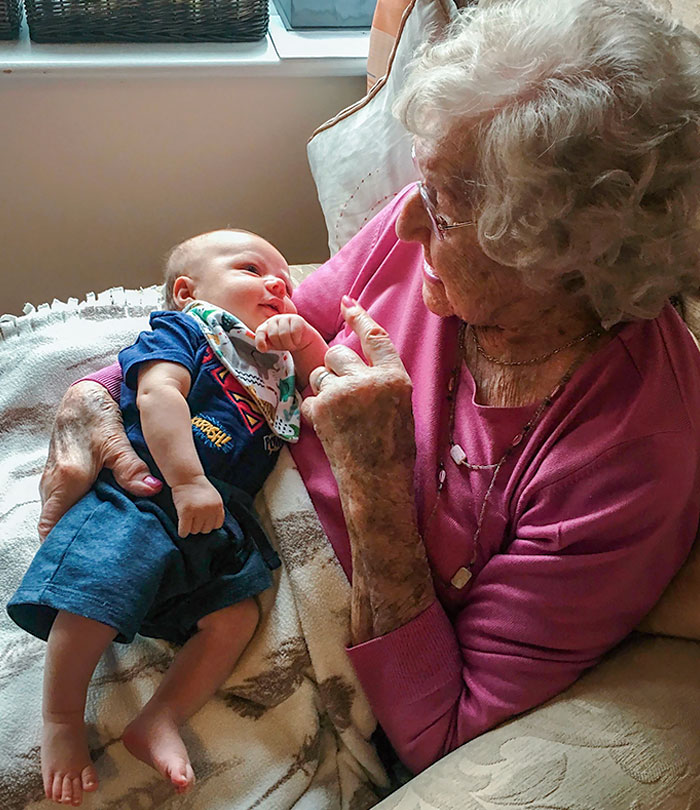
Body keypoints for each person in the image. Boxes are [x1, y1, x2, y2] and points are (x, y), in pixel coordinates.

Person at [33, 0, 700, 800]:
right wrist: (98, 395)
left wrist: (376, 481)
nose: (404, 218)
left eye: (444, 210)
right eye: (424, 181)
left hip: (289, 622)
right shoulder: (430, 237)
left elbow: (442, 729)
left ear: (561, 262)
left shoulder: (629, 455)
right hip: (211, 505)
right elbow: (249, 341)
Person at [7, 229, 329, 806]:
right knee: (95, 590)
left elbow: (327, 382)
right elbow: (159, 397)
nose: (278, 284)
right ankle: (61, 719)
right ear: (187, 291)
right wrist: (187, 480)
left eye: (286, 280)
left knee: (235, 616)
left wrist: (304, 342)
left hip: (219, 519)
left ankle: (160, 718)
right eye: (252, 269)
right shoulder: (185, 333)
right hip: (151, 493)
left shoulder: (273, 366)